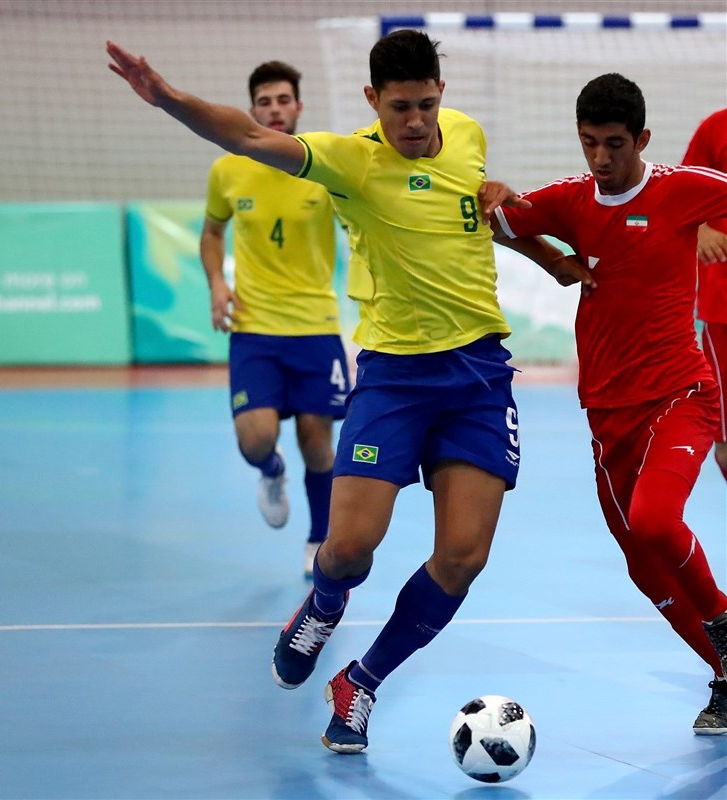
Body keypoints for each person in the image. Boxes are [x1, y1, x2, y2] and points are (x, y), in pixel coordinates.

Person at [107, 31, 594, 754]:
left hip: (478, 375)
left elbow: (475, 219)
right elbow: (242, 132)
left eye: (427, 105)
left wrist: (549, 257)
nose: (417, 123)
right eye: (401, 108)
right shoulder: (351, 161)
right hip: (395, 376)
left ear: (441, 95)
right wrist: (169, 97)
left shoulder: (466, 136)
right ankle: (323, 605)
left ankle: (360, 682)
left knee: (462, 556)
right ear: (373, 100)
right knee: (347, 549)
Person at [487, 73, 727, 734]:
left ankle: (724, 623)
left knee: (655, 521)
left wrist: (715, 237)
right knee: (642, 564)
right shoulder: (571, 200)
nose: (600, 158)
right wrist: (551, 258)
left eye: (614, 144)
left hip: (683, 393)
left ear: (642, 139)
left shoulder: (684, 188)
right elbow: (501, 218)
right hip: (606, 414)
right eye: (589, 143)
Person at [199, 60, 349, 578]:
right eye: (265, 102)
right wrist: (218, 283)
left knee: (317, 440)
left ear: (298, 107)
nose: (275, 109)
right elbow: (213, 232)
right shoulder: (228, 169)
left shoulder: (323, 166)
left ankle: (317, 538)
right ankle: (271, 471)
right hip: (254, 329)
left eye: (284, 100)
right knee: (256, 439)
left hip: (315, 327)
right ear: (253, 109)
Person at [681, 108, 727, 483]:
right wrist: (698, 229)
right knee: (725, 445)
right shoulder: (716, 127)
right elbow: (680, 196)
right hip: (723, 306)